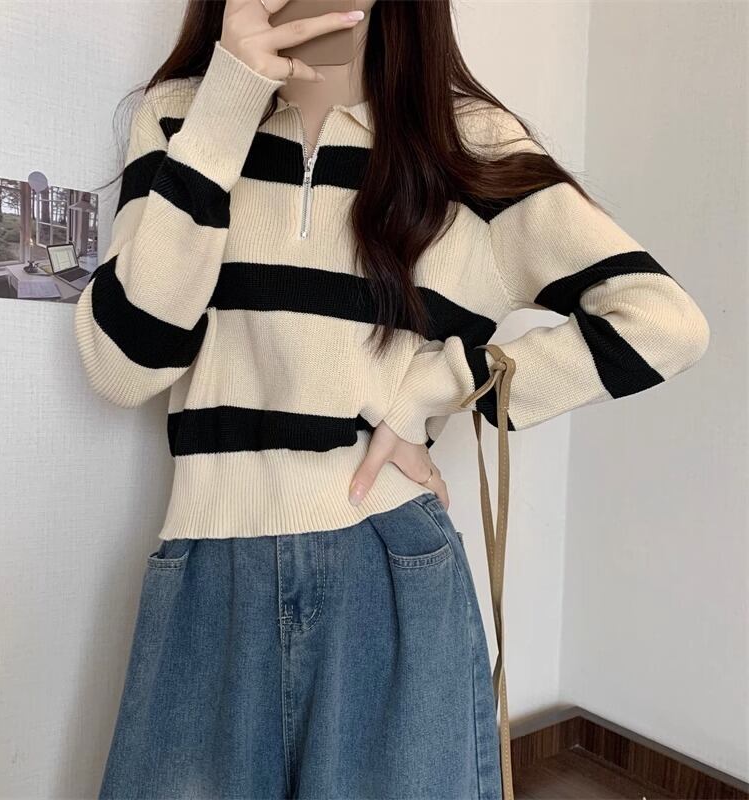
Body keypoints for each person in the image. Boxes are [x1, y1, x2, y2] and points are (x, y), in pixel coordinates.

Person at [74, 0, 710, 797]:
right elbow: (124, 366)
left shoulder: (464, 141)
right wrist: (228, 101)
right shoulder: (181, 117)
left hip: (387, 564)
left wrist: (436, 387)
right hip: (211, 571)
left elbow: (663, 321)